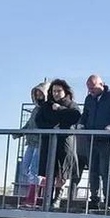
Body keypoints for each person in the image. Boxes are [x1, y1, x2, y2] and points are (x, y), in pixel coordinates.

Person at [80, 75, 110, 210]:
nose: (91, 91)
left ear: (102, 84)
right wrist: (80, 124)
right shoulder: (89, 99)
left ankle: (108, 201)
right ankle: (94, 199)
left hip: (106, 140)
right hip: (91, 138)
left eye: (93, 88)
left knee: (105, 170)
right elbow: (85, 115)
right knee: (93, 171)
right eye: (89, 89)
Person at [35, 79, 81, 208]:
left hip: (64, 142)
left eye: (58, 91)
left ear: (65, 91)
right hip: (49, 142)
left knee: (62, 172)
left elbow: (75, 116)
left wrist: (60, 109)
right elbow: (39, 121)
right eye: (54, 91)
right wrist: (51, 127)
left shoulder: (71, 104)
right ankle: (47, 198)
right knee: (49, 171)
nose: (56, 93)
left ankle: (57, 198)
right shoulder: (46, 105)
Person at [15, 80, 48, 208]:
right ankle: (41, 183)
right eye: (36, 94)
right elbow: (29, 124)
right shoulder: (35, 109)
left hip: (40, 142)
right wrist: (19, 133)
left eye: (40, 94)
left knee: (34, 170)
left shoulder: (47, 108)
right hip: (31, 142)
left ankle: (32, 198)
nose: (38, 96)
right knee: (24, 168)